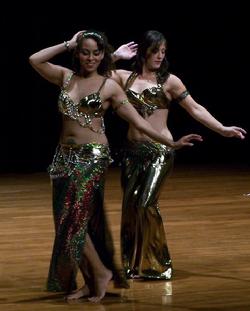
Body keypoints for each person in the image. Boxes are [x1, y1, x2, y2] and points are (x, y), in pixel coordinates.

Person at [29, 30, 202, 302]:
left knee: (73, 221)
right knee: (69, 223)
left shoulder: (108, 85)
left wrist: (172, 143)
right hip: (63, 157)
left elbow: (140, 122)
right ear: (77, 53)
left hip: (92, 156)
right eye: (84, 52)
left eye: (97, 53)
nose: (90, 57)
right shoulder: (66, 77)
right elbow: (35, 59)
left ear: (102, 55)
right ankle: (90, 280)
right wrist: (68, 43)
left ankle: (100, 273)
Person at [111, 30, 247, 280]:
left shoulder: (170, 81)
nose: (160, 56)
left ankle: (158, 266)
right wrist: (115, 56)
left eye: (164, 51)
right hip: (131, 152)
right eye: (155, 51)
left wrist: (222, 129)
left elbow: (195, 108)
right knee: (131, 209)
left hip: (161, 151)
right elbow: (92, 78)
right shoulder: (122, 78)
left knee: (146, 204)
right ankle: (132, 266)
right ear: (143, 52)